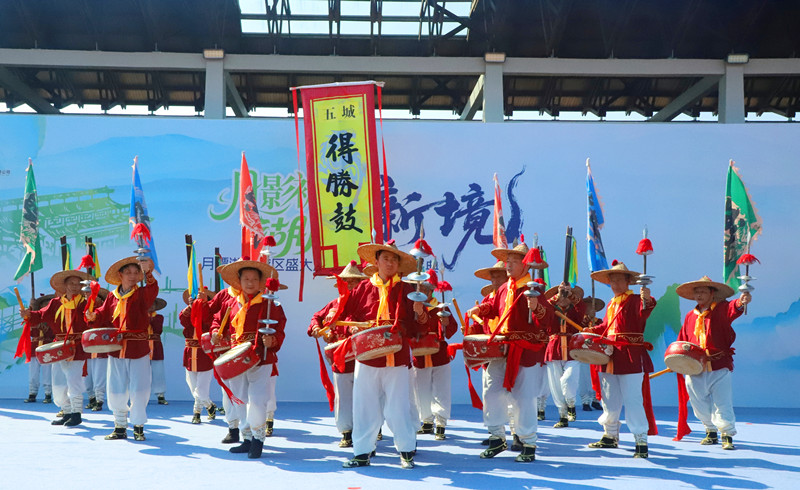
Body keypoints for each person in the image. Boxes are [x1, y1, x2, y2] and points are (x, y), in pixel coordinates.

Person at [337, 239, 426, 469]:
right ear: (376, 262)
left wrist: (419, 314)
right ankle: (362, 452)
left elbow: (418, 330)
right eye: (385, 258)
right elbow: (345, 317)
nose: (390, 263)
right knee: (364, 405)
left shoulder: (408, 290)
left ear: (398, 264)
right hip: (367, 357)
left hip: (396, 358)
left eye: (394, 259)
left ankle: (406, 450)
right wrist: (352, 327)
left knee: (398, 407)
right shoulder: (362, 289)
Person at [466, 240, 554, 463]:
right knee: (491, 392)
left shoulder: (533, 291)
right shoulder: (505, 288)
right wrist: (480, 308)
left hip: (525, 351)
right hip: (501, 349)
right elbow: (494, 306)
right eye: (508, 261)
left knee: (523, 398)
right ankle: (496, 437)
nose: (508, 265)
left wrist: (537, 308)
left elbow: (547, 321)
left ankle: (528, 442)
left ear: (525, 266)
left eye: (514, 261)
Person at [210, 259, 286, 459]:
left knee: (258, 399)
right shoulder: (231, 303)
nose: (250, 283)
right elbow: (218, 320)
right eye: (246, 279)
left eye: (254, 279)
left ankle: (259, 439)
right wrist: (216, 331)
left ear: (261, 282)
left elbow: (280, 330)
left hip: (261, 357)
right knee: (239, 398)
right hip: (237, 358)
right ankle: (247, 438)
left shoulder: (271, 305)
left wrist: (273, 340)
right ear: (239, 281)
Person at [584, 260, 656, 458]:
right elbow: (606, 328)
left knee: (633, 399)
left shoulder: (635, 300)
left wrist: (647, 298)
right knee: (609, 399)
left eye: (618, 280)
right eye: (612, 280)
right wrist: (591, 331)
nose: (615, 284)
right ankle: (610, 435)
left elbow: (646, 309)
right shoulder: (611, 304)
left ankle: (641, 440)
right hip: (609, 356)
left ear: (628, 282)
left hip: (631, 356)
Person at [86, 257, 158, 441]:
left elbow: (152, 290)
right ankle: (119, 426)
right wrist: (93, 315)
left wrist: (148, 273)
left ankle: (139, 426)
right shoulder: (112, 296)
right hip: (116, 347)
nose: (133, 276)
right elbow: (103, 314)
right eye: (128, 272)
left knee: (139, 388)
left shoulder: (142, 293)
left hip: (138, 348)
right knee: (116, 387)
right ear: (120, 275)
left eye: (136, 272)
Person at [675, 276, 751, 450]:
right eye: (697, 291)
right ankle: (710, 431)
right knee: (698, 403)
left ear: (712, 293)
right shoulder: (689, 316)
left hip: (719, 365)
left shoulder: (723, 309)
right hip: (695, 368)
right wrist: (678, 360)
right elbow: (682, 341)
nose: (699, 294)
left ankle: (726, 434)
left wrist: (742, 300)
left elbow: (735, 307)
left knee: (722, 402)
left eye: (703, 291)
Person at [21, 269, 95, 426]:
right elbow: (40, 315)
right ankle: (66, 411)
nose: (74, 286)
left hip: (77, 348)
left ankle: (76, 413)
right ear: (65, 285)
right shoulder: (56, 303)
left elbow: (94, 319)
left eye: (77, 283)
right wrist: (28, 314)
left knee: (73, 380)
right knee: (59, 382)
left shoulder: (85, 303)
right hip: (59, 348)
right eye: (71, 283)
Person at [307, 260, 367, 448]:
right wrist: (318, 328)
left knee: (367, 395)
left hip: (363, 358)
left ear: (361, 284)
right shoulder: (333, 305)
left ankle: (372, 428)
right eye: (346, 282)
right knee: (343, 396)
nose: (349, 285)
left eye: (354, 282)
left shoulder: (367, 306)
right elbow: (315, 317)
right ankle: (346, 432)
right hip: (340, 358)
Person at [411, 271, 457, 441]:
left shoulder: (441, 307)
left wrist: (446, 324)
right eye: (421, 288)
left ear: (431, 291)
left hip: (440, 354)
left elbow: (451, 330)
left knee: (441, 390)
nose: (424, 291)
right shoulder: (414, 308)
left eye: (427, 289)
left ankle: (441, 423)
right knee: (421, 390)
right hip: (420, 355)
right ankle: (427, 421)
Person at [544, 282, 586, 428]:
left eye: (566, 294)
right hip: (553, 348)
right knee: (555, 385)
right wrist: (557, 295)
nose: (564, 297)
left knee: (568, 379)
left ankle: (571, 404)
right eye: (563, 293)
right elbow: (543, 310)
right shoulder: (550, 308)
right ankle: (562, 415)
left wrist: (571, 295)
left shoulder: (576, 310)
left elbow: (582, 308)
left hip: (572, 349)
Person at [179, 287, 218, 424]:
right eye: (195, 299)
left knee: (201, 388)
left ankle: (196, 412)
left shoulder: (211, 314)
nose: (197, 301)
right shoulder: (187, 313)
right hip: (190, 352)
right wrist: (191, 307)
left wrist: (204, 307)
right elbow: (183, 321)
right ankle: (209, 405)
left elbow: (209, 322)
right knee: (192, 385)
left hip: (205, 353)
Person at [21, 294, 54, 404]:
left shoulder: (53, 318)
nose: (45, 306)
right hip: (34, 348)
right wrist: (31, 308)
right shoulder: (34, 319)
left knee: (47, 373)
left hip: (47, 348)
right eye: (43, 305)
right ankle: (32, 393)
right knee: (33, 373)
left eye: (47, 305)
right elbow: (28, 327)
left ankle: (48, 394)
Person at [579, 296, 605, 411]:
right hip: (583, 352)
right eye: (588, 306)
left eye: (593, 307)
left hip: (596, 353)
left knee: (598, 377)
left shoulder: (599, 322)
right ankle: (585, 401)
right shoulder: (579, 320)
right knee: (584, 378)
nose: (591, 309)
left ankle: (596, 399)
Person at [148, 298, 168, 405]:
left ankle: (160, 394)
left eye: (153, 304)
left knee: (158, 371)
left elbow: (157, 329)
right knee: (141, 372)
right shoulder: (140, 316)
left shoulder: (159, 317)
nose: (151, 306)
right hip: (143, 345)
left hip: (156, 345)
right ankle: (142, 394)